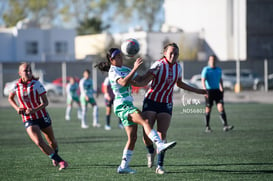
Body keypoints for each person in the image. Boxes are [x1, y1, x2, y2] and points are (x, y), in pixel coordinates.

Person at [95, 48, 177, 174]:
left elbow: (140, 81)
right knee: (144, 120)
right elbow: (123, 82)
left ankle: (123, 166)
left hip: (127, 104)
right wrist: (134, 68)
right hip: (121, 106)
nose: (120, 58)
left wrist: (153, 72)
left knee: (132, 137)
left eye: (121, 56)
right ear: (111, 60)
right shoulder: (113, 71)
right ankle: (159, 144)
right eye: (117, 57)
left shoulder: (126, 69)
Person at [141, 42, 207, 174]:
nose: (173, 55)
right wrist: (131, 82)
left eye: (176, 53)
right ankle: (150, 151)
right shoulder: (158, 65)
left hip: (166, 103)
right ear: (165, 53)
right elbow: (144, 81)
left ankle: (160, 166)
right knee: (146, 134)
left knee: (162, 134)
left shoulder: (178, 67)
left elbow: (180, 83)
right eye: (171, 53)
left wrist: (199, 91)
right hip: (151, 101)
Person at [8, 62, 68, 171]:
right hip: (28, 118)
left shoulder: (36, 84)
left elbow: (45, 102)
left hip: (42, 116)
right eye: (26, 71)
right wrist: (17, 108)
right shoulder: (16, 86)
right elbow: (10, 98)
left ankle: (54, 155)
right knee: (39, 142)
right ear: (20, 73)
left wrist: (34, 110)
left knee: (52, 142)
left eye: (30, 70)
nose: (29, 72)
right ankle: (61, 161)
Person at [201, 55, 234, 133]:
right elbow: (203, 80)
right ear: (209, 61)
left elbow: (220, 79)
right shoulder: (206, 69)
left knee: (221, 107)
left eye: (214, 59)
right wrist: (204, 89)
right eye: (211, 59)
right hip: (209, 91)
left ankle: (225, 126)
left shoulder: (218, 70)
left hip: (217, 91)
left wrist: (221, 88)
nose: (212, 61)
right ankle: (207, 127)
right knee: (208, 109)